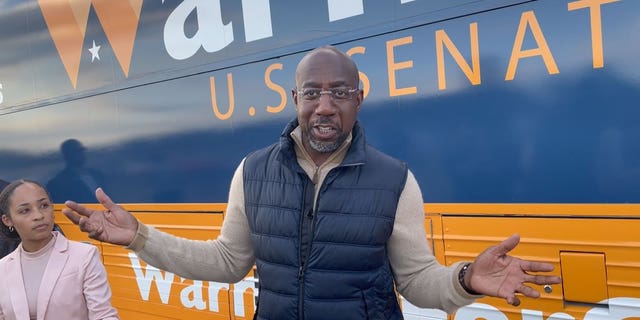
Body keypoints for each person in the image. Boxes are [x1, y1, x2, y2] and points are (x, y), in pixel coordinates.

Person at [62, 46, 561, 319]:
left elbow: (415, 281)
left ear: (358, 100)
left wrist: (466, 278)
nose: (325, 105)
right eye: (313, 93)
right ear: (295, 98)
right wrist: (141, 238)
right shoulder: (252, 170)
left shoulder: (396, 180)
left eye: (339, 92)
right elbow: (228, 262)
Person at [0, 179, 119, 320]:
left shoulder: (84, 256)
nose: (38, 216)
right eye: (25, 210)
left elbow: (103, 314)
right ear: (7, 220)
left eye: (44, 205)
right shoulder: (3, 267)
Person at [47, 139, 105, 203]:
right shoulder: (58, 183)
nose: (81, 154)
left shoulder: (97, 175)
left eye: (81, 151)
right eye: (77, 152)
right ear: (68, 155)